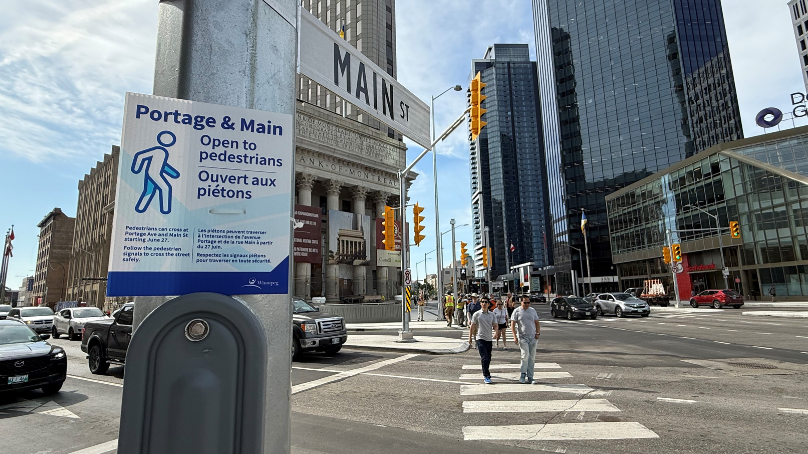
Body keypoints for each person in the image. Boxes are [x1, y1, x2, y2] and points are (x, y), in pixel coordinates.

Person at [511, 295, 541, 384]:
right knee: (525, 355)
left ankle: (530, 376)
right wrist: (514, 336)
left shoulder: (532, 310)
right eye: (525, 302)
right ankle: (523, 374)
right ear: (521, 302)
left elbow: (537, 322)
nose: (527, 304)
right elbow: (512, 324)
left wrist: (537, 333)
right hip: (522, 337)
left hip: (533, 337)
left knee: (531, 357)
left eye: (528, 302)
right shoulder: (517, 311)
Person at [469, 299, 495, 384]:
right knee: (484, 357)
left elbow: (495, 325)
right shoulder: (477, 314)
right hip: (480, 338)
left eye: (486, 302)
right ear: (480, 304)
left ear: (488, 304)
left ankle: (486, 371)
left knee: (488, 358)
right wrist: (470, 338)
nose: (484, 304)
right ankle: (486, 375)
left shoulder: (492, 314)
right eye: (482, 302)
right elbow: (472, 326)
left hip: (489, 338)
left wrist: (496, 332)